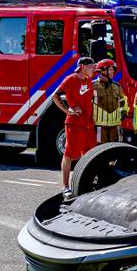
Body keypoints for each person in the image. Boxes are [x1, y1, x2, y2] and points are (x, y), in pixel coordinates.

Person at [53, 57, 97, 197]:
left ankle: (85, 184)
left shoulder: (89, 80)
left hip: (88, 124)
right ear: (83, 66)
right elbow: (56, 96)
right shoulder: (71, 79)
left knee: (88, 155)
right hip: (74, 124)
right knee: (69, 155)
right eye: (92, 66)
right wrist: (68, 111)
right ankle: (66, 187)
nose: (94, 69)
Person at [91, 58, 128, 145]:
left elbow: (123, 101)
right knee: (99, 151)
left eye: (113, 70)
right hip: (99, 126)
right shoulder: (92, 86)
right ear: (102, 70)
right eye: (110, 69)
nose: (113, 72)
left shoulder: (117, 87)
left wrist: (124, 111)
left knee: (115, 150)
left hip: (115, 126)